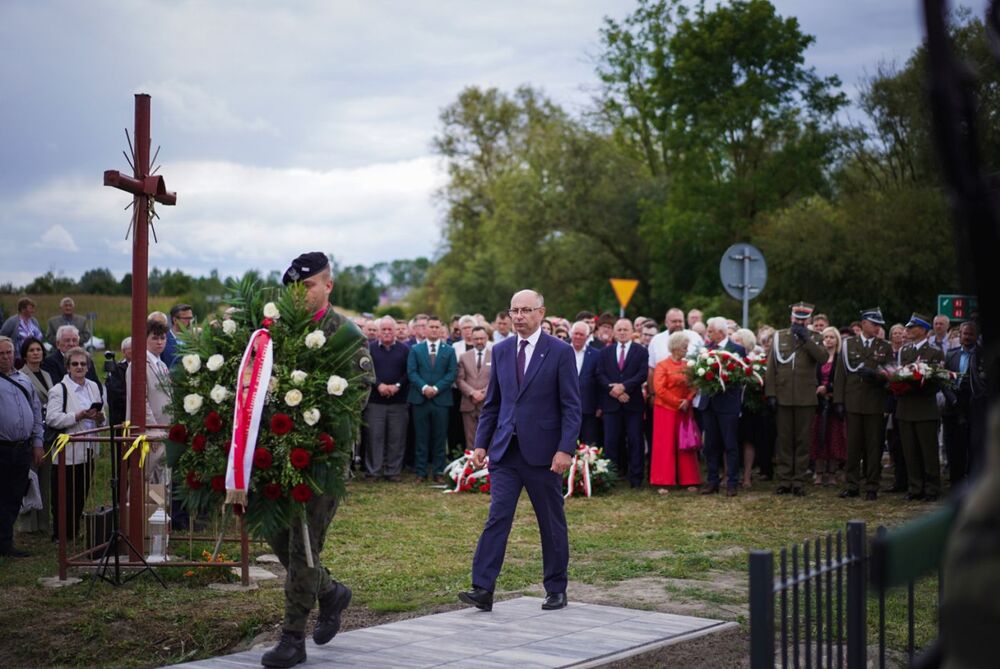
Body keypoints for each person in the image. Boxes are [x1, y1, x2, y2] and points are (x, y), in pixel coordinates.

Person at [261, 252, 374, 668]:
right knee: (278, 540)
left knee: (303, 547)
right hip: (275, 459)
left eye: (306, 285)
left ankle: (292, 638)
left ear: (328, 285)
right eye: (293, 286)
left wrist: (308, 430)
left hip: (321, 460)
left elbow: (355, 399)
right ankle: (330, 593)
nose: (299, 293)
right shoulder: (277, 332)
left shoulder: (345, 335)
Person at [459, 289, 580, 613]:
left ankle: (556, 588)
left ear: (542, 313)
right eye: (514, 310)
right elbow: (494, 403)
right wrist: (481, 443)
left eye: (526, 310)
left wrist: (565, 449)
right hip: (506, 452)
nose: (519, 317)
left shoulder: (559, 352)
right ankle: (482, 587)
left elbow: (571, 406)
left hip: (544, 454)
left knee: (550, 522)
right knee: (497, 517)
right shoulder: (501, 351)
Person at [765, 302, 828, 496]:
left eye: (803, 319)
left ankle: (798, 480)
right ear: (791, 318)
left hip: (805, 397)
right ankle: (784, 479)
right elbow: (771, 368)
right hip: (783, 396)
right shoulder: (779, 336)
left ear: (808, 320)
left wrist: (806, 338)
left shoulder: (815, 337)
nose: (799, 322)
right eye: (796, 318)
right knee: (784, 440)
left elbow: (823, 358)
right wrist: (771, 394)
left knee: (802, 440)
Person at [45, 346, 106, 542]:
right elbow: (52, 419)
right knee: (64, 494)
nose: (79, 367)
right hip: (67, 450)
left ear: (88, 367)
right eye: (75, 364)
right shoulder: (58, 390)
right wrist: (77, 416)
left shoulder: (93, 387)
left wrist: (99, 417)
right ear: (68, 367)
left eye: (83, 364)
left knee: (82, 491)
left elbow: (102, 418)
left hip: (89, 448)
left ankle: (74, 530)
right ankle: (61, 534)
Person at [833, 309, 894, 501]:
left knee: (874, 447)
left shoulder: (885, 346)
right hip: (853, 402)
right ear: (863, 324)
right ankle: (851, 485)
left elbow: (891, 373)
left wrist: (877, 376)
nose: (877, 328)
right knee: (853, 447)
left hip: (875, 403)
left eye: (879, 325)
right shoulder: (848, 344)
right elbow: (840, 374)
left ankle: (872, 486)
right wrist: (839, 400)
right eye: (874, 324)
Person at [0, 336, 45, 557]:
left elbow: (37, 413)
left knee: (16, 495)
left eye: (9, 352)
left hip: (22, 447)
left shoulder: (24, 380)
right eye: (1, 353)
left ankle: (6, 543)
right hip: (2, 447)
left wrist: (37, 443)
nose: (6, 357)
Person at [895, 313, 944, 501]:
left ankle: (932, 488)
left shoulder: (934, 351)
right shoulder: (904, 351)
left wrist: (917, 383)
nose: (907, 331)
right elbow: (900, 373)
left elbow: (937, 380)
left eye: (911, 328)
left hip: (924, 406)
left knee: (928, 451)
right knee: (910, 451)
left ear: (922, 330)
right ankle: (915, 487)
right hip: (906, 406)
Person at [596, 319, 649, 488]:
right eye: (619, 329)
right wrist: (613, 390)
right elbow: (600, 374)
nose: (622, 332)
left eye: (626, 329)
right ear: (614, 332)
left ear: (632, 331)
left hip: (633, 403)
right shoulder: (605, 352)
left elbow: (642, 374)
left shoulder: (641, 351)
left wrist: (625, 387)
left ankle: (636, 478)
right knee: (611, 441)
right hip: (611, 404)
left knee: (635, 441)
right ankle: (611, 478)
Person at [698, 317, 747, 496]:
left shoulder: (737, 349)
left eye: (710, 331)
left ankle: (732, 482)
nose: (708, 334)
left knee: (730, 444)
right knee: (710, 445)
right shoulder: (706, 350)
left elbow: (740, 376)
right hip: (709, 403)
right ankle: (712, 481)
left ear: (720, 332)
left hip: (727, 404)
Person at [406, 316, 457, 482]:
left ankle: (438, 472)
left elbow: (451, 374)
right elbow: (412, 372)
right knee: (421, 437)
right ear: (425, 329)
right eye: (431, 327)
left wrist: (435, 388)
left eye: (437, 327)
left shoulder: (449, 350)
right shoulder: (416, 349)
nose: (434, 330)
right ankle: (420, 472)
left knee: (440, 437)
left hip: (441, 399)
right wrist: (424, 387)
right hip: (420, 399)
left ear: (441, 329)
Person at [650, 332, 700, 492]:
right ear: (676, 348)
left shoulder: (688, 365)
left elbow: (694, 385)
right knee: (664, 445)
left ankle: (689, 479)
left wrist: (688, 399)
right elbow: (659, 388)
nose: (686, 350)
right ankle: (663, 481)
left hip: (684, 409)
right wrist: (677, 402)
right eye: (684, 347)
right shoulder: (662, 365)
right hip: (665, 410)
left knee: (686, 443)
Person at [126, 320, 172, 484]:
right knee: (147, 482)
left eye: (163, 338)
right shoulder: (138, 364)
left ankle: (160, 511)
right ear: (144, 339)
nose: (160, 342)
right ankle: (145, 511)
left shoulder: (162, 365)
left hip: (165, 431)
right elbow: (141, 402)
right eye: (155, 338)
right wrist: (153, 431)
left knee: (161, 484)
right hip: (151, 434)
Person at [15, 337, 53, 535]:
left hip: (47, 433)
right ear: (25, 354)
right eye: (31, 350)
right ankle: (28, 524)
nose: (36, 353)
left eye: (38, 349)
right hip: (29, 433)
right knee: (30, 478)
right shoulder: (21, 376)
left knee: (45, 480)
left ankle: (43, 522)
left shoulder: (46, 375)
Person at [364, 317, 410, 481]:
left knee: (396, 439)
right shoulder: (370, 349)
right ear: (378, 332)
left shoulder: (404, 350)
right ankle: (373, 471)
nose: (387, 332)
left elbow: (408, 372)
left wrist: (397, 385)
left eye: (390, 329)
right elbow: (366, 372)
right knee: (374, 437)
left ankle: (393, 471)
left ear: (395, 331)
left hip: (398, 401)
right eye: (383, 329)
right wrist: (379, 385)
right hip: (375, 401)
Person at [810, 326, 847, 486]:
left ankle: (832, 474)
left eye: (832, 337)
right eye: (826, 337)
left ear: (837, 339)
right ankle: (818, 473)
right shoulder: (817, 358)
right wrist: (818, 389)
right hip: (818, 403)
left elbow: (842, 380)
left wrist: (829, 389)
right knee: (818, 438)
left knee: (834, 439)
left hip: (834, 404)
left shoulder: (841, 358)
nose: (829, 340)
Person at [456, 326, 492, 452]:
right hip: (469, 403)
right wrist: (472, 393)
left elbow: (497, 379)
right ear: (471, 339)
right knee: (471, 440)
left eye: (482, 338)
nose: (479, 341)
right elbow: (459, 379)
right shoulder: (464, 357)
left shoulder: (495, 355)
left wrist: (484, 393)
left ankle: (488, 468)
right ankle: (471, 467)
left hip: (488, 404)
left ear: (487, 338)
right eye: (476, 339)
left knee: (488, 438)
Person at [0, 297, 44, 367]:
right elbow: (2, 336)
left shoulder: (34, 321)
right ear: (23, 309)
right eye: (31, 308)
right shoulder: (12, 321)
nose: (33, 310)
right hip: (18, 358)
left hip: (32, 356)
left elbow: (39, 337)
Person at [161, 303, 193, 367]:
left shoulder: (194, 339)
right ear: (175, 320)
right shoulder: (163, 339)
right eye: (186, 318)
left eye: (191, 318)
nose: (190, 322)